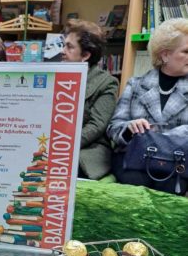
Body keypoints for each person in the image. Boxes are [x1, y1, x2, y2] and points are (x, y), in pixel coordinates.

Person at [108, 18, 188, 194]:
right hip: (135, 162)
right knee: (134, 186)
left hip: (177, 164)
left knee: (171, 188)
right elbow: (114, 127)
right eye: (186, 51)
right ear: (165, 55)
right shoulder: (135, 85)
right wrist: (129, 128)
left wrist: (171, 136)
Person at [62, 19, 118, 180]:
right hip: (55, 145)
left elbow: (97, 125)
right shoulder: (57, 76)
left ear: (85, 55)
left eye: (69, 47)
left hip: (86, 149)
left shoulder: (106, 83)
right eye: (64, 45)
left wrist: (64, 145)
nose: (62, 51)